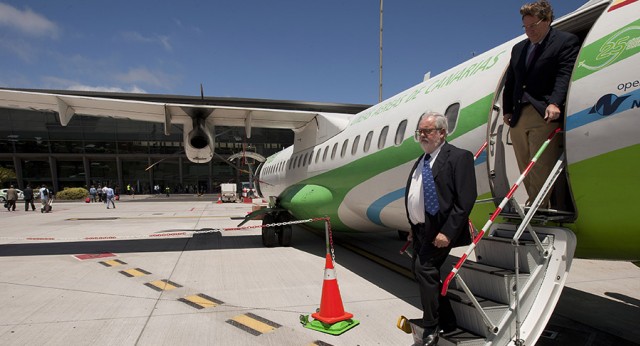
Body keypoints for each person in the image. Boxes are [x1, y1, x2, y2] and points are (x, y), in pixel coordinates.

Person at [405, 112, 477, 346]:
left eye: (427, 131)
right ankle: (447, 318)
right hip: (419, 230)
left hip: (440, 230)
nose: (422, 136)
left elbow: (465, 199)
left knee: (424, 269)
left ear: (442, 132)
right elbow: (417, 195)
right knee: (422, 273)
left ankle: (431, 327)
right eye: (420, 132)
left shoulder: (458, 157)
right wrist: (412, 223)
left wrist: (448, 232)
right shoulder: (422, 160)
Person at [502, 0, 579, 208]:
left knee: (541, 162)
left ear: (546, 21)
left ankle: (538, 205)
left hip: (542, 111)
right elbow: (511, 82)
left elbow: (564, 75)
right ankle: (536, 202)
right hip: (519, 114)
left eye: (533, 26)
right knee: (525, 163)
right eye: (525, 27)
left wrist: (555, 103)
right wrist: (507, 109)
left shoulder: (564, 41)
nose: (529, 31)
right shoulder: (519, 49)